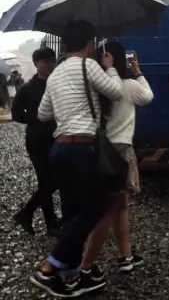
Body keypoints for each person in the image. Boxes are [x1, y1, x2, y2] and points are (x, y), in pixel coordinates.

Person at [29, 21, 124, 298]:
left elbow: (44, 113)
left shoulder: (56, 73)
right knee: (92, 211)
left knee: (72, 213)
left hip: (59, 149)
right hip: (82, 148)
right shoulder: (88, 65)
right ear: (89, 44)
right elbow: (116, 92)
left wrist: (68, 104)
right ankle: (49, 268)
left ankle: (70, 275)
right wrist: (110, 68)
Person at [81, 43, 153, 279]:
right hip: (120, 151)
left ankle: (126, 256)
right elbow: (148, 97)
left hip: (100, 150)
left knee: (119, 206)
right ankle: (85, 266)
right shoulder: (129, 86)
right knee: (109, 209)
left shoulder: (94, 87)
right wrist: (138, 71)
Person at [11, 47, 61, 236]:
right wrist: (37, 117)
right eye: (45, 61)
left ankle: (26, 213)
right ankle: (51, 223)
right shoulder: (27, 89)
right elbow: (16, 114)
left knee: (55, 180)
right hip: (37, 140)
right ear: (36, 63)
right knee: (46, 180)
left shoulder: (58, 84)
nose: (49, 64)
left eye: (52, 61)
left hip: (58, 136)